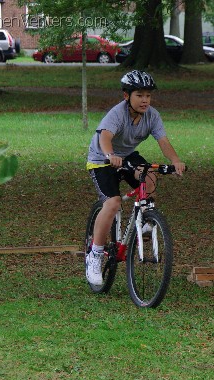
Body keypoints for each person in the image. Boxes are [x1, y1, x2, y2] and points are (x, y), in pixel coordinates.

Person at [85, 70, 186, 286]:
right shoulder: (117, 114)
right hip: (102, 158)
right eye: (139, 95)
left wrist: (176, 161)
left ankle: (147, 218)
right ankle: (95, 254)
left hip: (127, 156)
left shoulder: (152, 115)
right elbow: (105, 136)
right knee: (112, 204)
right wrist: (110, 155)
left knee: (149, 174)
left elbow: (163, 141)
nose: (145, 100)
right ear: (126, 96)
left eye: (148, 95)